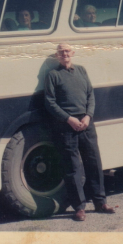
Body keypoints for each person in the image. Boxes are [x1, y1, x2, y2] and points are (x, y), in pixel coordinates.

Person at [44, 43, 116, 221]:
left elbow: (90, 95)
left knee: (93, 162)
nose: (65, 54)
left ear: (73, 53)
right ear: (57, 56)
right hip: (67, 125)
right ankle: (79, 207)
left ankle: (100, 202)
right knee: (73, 167)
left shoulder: (82, 71)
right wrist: (69, 119)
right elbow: (50, 102)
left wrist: (88, 116)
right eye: (61, 52)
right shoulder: (53, 75)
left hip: (86, 122)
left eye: (67, 51)